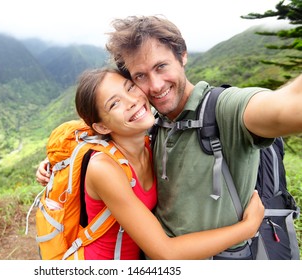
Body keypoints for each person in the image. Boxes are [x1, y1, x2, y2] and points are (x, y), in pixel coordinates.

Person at [37, 15, 302, 259]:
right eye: (140, 76)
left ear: (183, 55)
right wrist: (58, 165)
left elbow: (285, 107)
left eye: (161, 66)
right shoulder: (152, 128)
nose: (154, 86)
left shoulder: (225, 110)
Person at [55, 67, 264, 260]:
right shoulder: (105, 168)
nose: (132, 100)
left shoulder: (150, 144)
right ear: (101, 127)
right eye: (114, 103)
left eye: (130, 87)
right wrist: (247, 228)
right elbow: (166, 252)